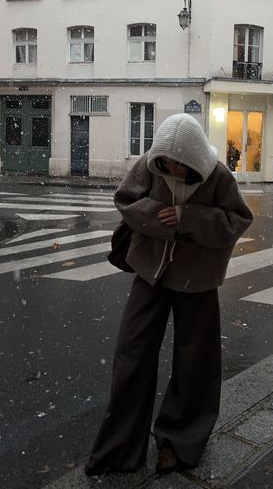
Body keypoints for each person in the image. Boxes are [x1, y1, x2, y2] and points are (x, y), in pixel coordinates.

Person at [85, 113, 253, 476]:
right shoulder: (151, 164)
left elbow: (237, 220)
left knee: (196, 363)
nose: (172, 168)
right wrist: (158, 216)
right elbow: (126, 200)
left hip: (199, 280)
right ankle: (120, 448)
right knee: (131, 354)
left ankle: (179, 444)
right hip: (150, 273)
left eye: (180, 162)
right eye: (166, 161)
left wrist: (187, 218)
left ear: (196, 157)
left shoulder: (218, 175)